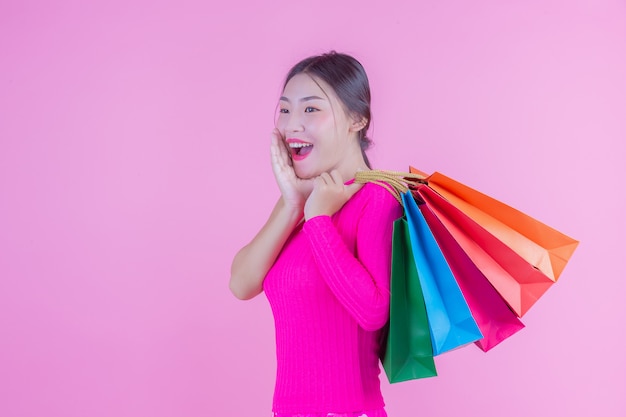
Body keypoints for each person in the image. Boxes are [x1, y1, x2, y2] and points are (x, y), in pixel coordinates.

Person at [229, 51, 403, 417]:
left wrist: (320, 221)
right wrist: (293, 204)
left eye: (311, 109)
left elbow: (373, 312)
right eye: (285, 109)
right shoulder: (301, 201)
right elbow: (241, 284)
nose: (292, 124)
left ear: (357, 119)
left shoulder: (377, 198)